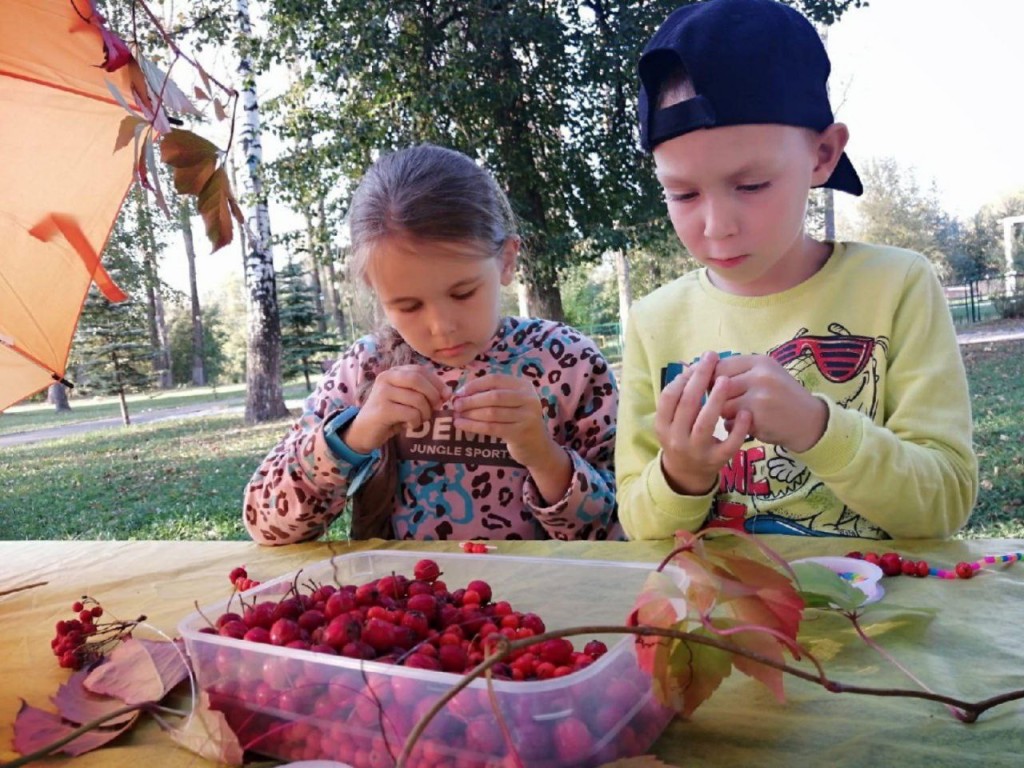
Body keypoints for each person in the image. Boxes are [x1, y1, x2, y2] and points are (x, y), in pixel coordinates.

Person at [617, 0, 978, 540]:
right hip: (714, 622)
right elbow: (641, 527)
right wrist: (683, 474)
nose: (718, 226)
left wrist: (817, 427)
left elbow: (944, 503)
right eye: (683, 193)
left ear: (823, 154)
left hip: (878, 616)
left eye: (752, 185)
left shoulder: (897, 286)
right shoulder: (653, 321)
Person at [244, 143, 621, 544]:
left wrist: (545, 456)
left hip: (539, 602)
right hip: (402, 602)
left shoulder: (568, 363)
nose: (442, 328)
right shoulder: (365, 370)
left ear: (507, 260)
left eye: (463, 294)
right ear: (377, 290)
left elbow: (617, 532)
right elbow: (266, 523)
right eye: (407, 305)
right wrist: (354, 436)